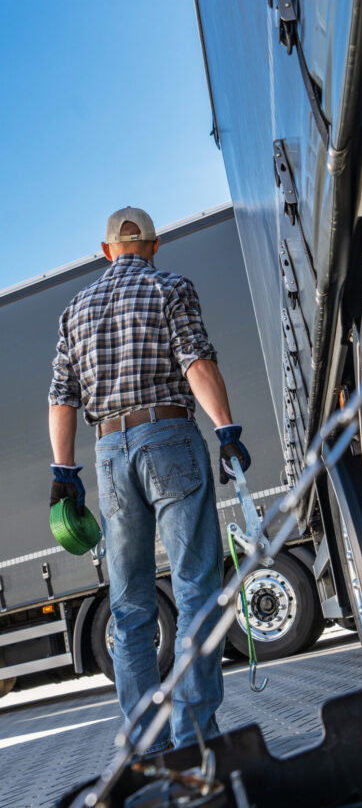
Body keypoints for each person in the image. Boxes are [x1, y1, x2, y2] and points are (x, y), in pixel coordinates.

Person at [48, 206, 251, 753]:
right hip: (170, 438)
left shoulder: (75, 309)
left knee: (131, 606)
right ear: (155, 247)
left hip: (109, 451)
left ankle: (149, 748)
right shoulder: (171, 287)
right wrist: (227, 429)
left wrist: (63, 473)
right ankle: (194, 741)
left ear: (106, 250)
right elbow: (196, 361)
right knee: (194, 592)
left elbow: (62, 397)